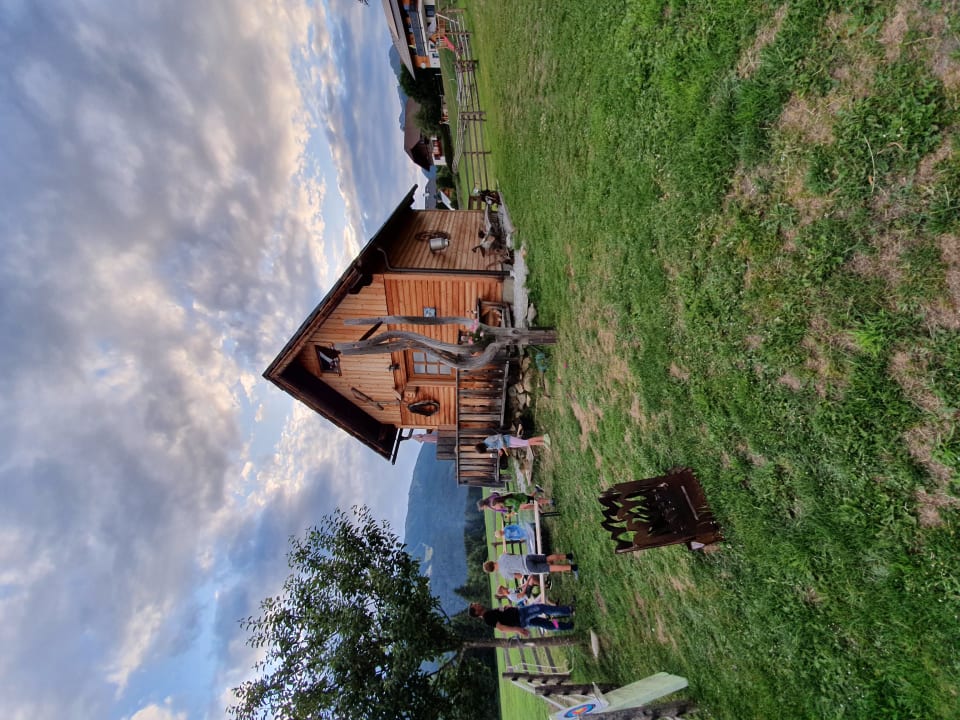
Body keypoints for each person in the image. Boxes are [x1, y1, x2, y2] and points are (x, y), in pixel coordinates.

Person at [469, 602, 573, 635]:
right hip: (520, 616)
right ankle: (568, 610)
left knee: (545, 623)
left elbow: (500, 613)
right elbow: (501, 628)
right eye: (476, 606)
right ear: (477, 612)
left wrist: (506, 607)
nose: (478, 604)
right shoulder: (487, 618)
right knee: (541, 608)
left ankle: (568, 626)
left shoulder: (488, 613)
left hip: (520, 618)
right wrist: (517, 629)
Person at [483, 551, 577, 582]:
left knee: (550, 568)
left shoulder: (504, 574)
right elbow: (512, 554)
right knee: (547, 558)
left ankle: (573, 567)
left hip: (528, 568)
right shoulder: (501, 556)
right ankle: (568, 556)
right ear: (491, 562)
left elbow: (519, 576)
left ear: (492, 570)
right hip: (527, 557)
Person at [475, 433, 550, 456]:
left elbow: (499, 436)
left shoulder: (488, 440)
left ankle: (544, 437)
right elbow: (497, 445)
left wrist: (503, 445)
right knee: (526, 444)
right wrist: (499, 450)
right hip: (509, 444)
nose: (486, 451)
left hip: (508, 439)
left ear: (482, 448)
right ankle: (542, 443)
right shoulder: (488, 446)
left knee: (525, 442)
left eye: (484, 451)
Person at [477, 491, 552, 514]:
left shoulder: (492, 501)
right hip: (518, 501)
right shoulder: (490, 505)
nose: (497, 508)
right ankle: (540, 504)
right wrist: (508, 511)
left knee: (533, 501)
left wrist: (515, 511)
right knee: (532, 501)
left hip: (519, 499)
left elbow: (516, 503)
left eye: (482, 508)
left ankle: (548, 501)